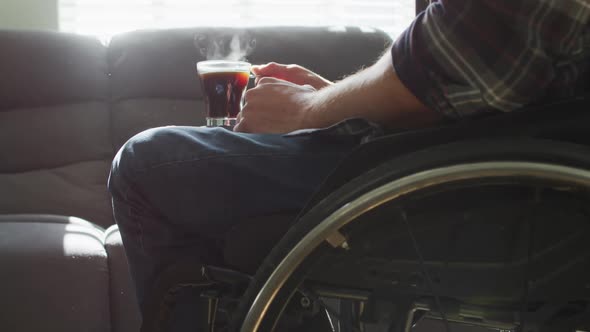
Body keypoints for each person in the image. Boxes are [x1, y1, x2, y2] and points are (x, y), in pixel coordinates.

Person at [108, 0, 589, 329]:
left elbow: (468, 60)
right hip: (513, 168)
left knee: (149, 166)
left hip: (493, 189)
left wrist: (308, 111)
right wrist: (335, 105)